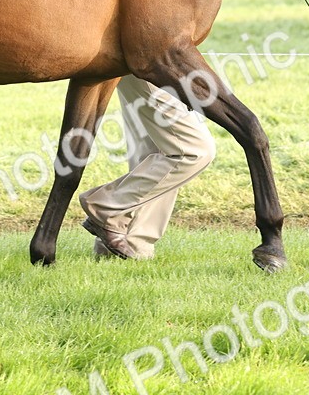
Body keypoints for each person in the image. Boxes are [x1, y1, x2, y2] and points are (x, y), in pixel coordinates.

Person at [79, 75, 216, 260]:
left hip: (140, 62)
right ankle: (106, 207)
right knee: (194, 150)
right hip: (151, 57)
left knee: (155, 150)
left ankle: (129, 245)